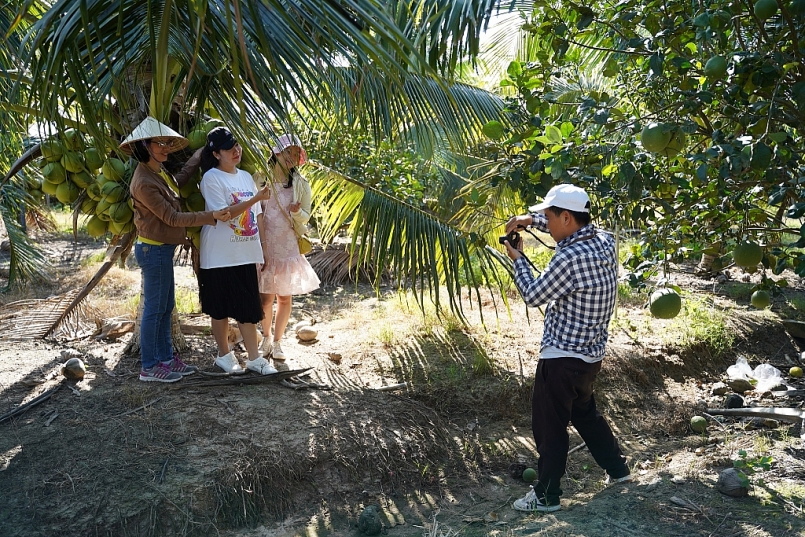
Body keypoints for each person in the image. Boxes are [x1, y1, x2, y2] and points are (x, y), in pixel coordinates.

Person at [503, 183, 631, 513]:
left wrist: (516, 258)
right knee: (586, 414)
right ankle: (618, 471)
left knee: (550, 426)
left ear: (565, 217)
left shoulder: (569, 259)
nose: (544, 218)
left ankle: (547, 496)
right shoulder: (603, 240)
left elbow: (533, 295)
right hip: (589, 357)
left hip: (560, 358)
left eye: (547, 215)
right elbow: (566, 226)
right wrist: (529, 221)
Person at [124, 117, 232, 383]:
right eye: (158, 143)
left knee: (165, 306)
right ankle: (149, 367)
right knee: (154, 309)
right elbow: (171, 218)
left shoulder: (158, 171)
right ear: (143, 146)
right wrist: (211, 216)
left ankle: (166, 358)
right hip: (153, 251)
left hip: (161, 250)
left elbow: (179, 181)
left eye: (166, 143)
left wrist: (197, 157)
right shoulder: (144, 181)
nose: (164, 148)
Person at [198, 127, 274, 375]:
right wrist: (255, 198)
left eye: (237, 146)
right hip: (219, 255)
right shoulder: (211, 178)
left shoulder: (245, 177)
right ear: (217, 153)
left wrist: (262, 247)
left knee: (247, 307)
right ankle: (224, 355)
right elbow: (224, 215)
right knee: (219, 308)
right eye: (230, 148)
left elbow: (258, 216)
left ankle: (254, 358)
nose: (236, 151)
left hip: (245, 252)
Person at [257, 134, 320, 369]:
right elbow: (256, 211)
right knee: (265, 297)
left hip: (288, 245)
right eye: (289, 152)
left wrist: (295, 212)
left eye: (296, 154)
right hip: (265, 244)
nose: (293, 158)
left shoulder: (300, 184)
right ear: (277, 153)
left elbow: (306, 215)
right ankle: (265, 338)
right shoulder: (261, 179)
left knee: (284, 297)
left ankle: (278, 342)